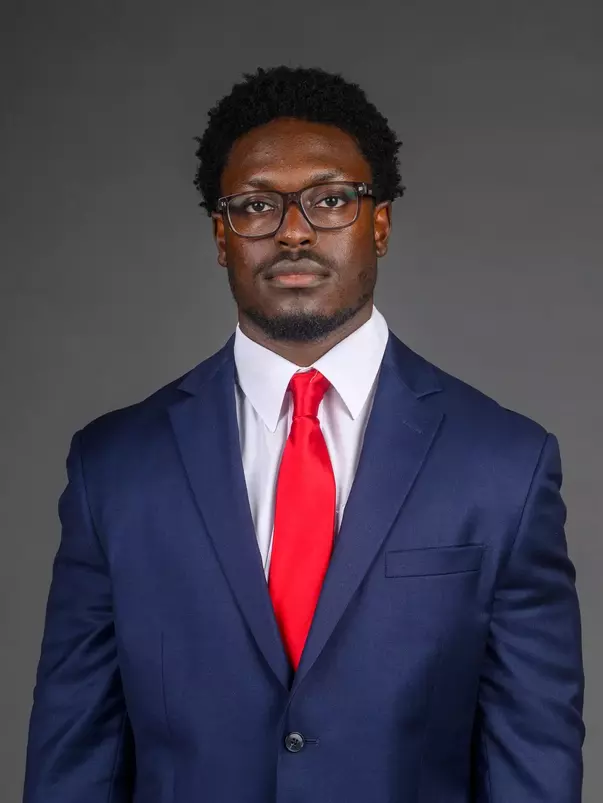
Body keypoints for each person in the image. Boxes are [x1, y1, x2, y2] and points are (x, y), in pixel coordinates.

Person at [23, 65, 585, 803]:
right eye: (256, 205)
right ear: (221, 237)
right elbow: (74, 758)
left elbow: (532, 762)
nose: (292, 230)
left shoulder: (504, 464)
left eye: (330, 199)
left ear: (378, 223)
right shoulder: (114, 468)